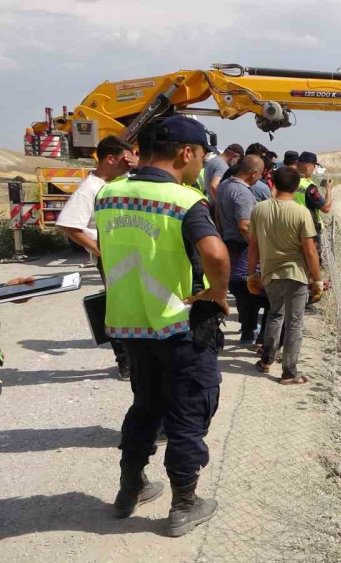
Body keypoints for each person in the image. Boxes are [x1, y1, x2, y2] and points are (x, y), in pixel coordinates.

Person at [95, 115, 230, 537]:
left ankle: (129, 488)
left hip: (132, 325)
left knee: (145, 407)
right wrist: (218, 293)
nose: (202, 164)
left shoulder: (109, 194)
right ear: (185, 153)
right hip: (180, 326)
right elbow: (216, 255)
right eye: (203, 155)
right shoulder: (183, 200)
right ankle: (184, 505)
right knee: (188, 413)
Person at [56, 135, 136, 379]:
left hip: (123, 257)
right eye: (125, 160)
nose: (129, 164)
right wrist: (101, 252)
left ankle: (134, 359)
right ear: (110, 159)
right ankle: (125, 362)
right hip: (111, 259)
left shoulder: (112, 183)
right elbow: (69, 225)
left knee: (130, 308)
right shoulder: (90, 188)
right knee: (119, 310)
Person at [247, 166, 323, 385]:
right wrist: (316, 279)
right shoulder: (301, 212)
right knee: (294, 323)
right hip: (296, 274)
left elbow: (253, 246)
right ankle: (289, 372)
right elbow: (309, 250)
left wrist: (252, 274)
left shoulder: (259, 210)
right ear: (296, 186)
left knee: (274, 314)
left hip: (270, 273)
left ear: (274, 184)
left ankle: (266, 360)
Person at [216, 155, 266, 345]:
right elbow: (244, 226)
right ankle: (249, 332)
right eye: (260, 174)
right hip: (243, 246)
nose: (260, 178)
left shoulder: (224, 186)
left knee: (240, 288)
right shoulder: (243, 193)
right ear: (253, 173)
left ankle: (248, 330)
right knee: (250, 289)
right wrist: (258, 249)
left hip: (228, 242)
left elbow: (219, 216)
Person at [293, 152, 333, 237]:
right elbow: (326, 208)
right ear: (307, 166)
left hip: (295, 226)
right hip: (310, 229)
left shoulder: (291, 181)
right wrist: (328, 190)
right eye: (314, 166)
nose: (314, 168)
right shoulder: (309, 187)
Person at [196, 142, 243, 209]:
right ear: (235, 156)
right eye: (238, 160)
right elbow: (214, 186)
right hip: (212, 206)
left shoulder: (213, 160)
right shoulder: (223, 166)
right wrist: (220, 206)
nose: (236, 164)